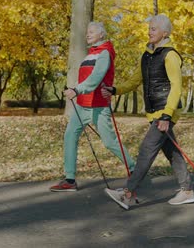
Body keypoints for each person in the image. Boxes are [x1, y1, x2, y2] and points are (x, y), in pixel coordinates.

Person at [102, 14, 194, 209]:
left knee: (146, 150)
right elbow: (135, 80)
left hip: (165, 112)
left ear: (165, 33)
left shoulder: (170, 55)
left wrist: (167, 115)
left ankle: (128, 193)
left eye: (154, 28)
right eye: (149, 28)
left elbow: (176, 87)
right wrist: (116, 90)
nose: (149, 31)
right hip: (155, 113)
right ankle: (186, 191)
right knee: (172, 153)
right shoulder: (146, 55)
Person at [50, 21, 135, 192]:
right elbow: (85, 77)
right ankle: (70, 179)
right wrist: (76, 89)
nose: (87, 34)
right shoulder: (91, 54)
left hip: (98, 106)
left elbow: (96, 77)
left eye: (92, 31)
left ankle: (134, 170)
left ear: (102, 34)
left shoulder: (104, 53)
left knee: (110, 142)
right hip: (82, 105)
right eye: (87, 31)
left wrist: (77, 89)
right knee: (70, 136)